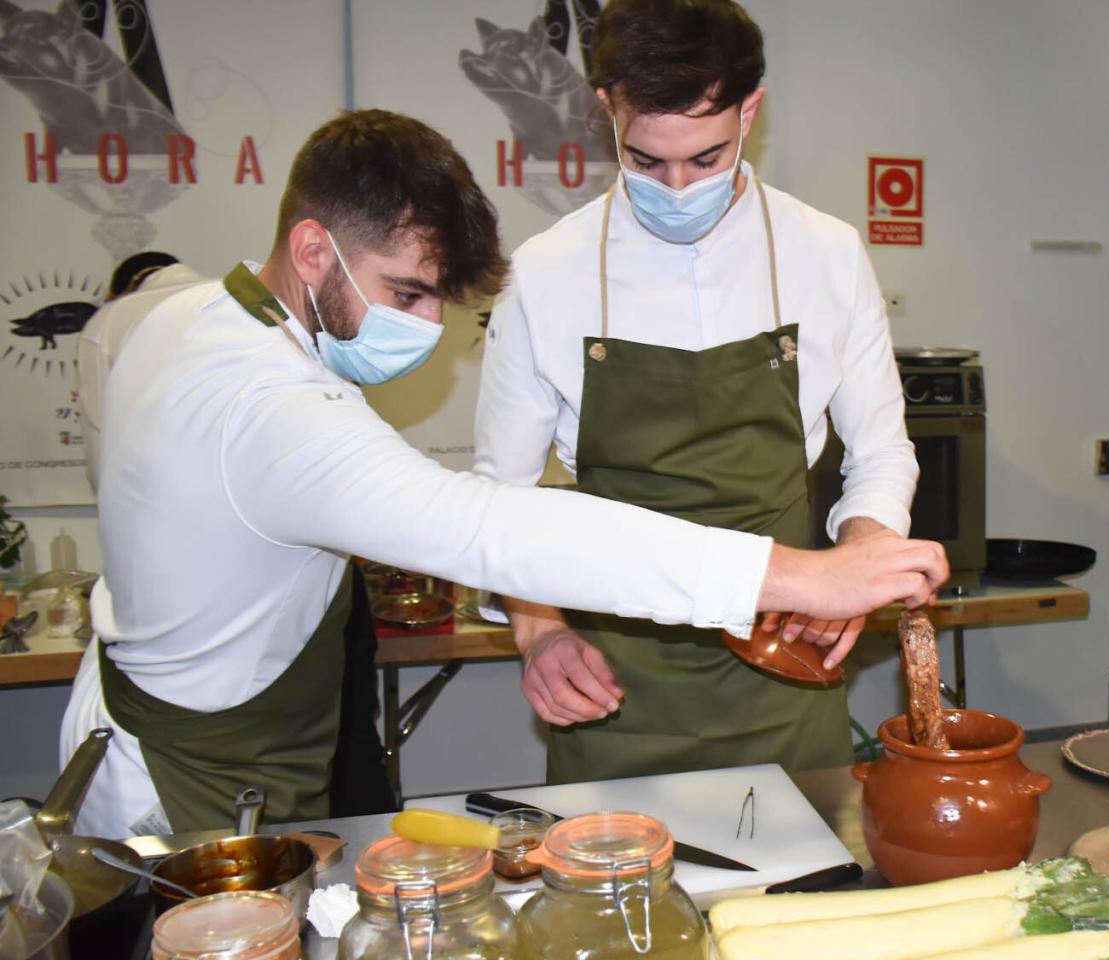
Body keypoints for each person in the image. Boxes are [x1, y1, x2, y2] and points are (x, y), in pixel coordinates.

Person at [60, 109, 947, 839]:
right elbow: (502, 530)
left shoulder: (183, 318)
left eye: (438, 300)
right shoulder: (275, 411)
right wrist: (804, 577)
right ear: (313, 249)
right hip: (191, 781)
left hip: (163, 714)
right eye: (406, 293)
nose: (426, 327)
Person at [475, 0, 918, 784]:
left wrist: (862, 552)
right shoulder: (545, 274)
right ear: (608, 108)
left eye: (705, 159)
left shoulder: (826, 254)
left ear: (750, 111)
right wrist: (539, 631)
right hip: (616, 688)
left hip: (787, 664)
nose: (677, 187)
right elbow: (498, 502)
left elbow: (880, 451)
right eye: (646, 161)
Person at [76, 251, 206, 491]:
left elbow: (98, 425)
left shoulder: (108, 320)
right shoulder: (248, 299)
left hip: (156, 486)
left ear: (120, 292)